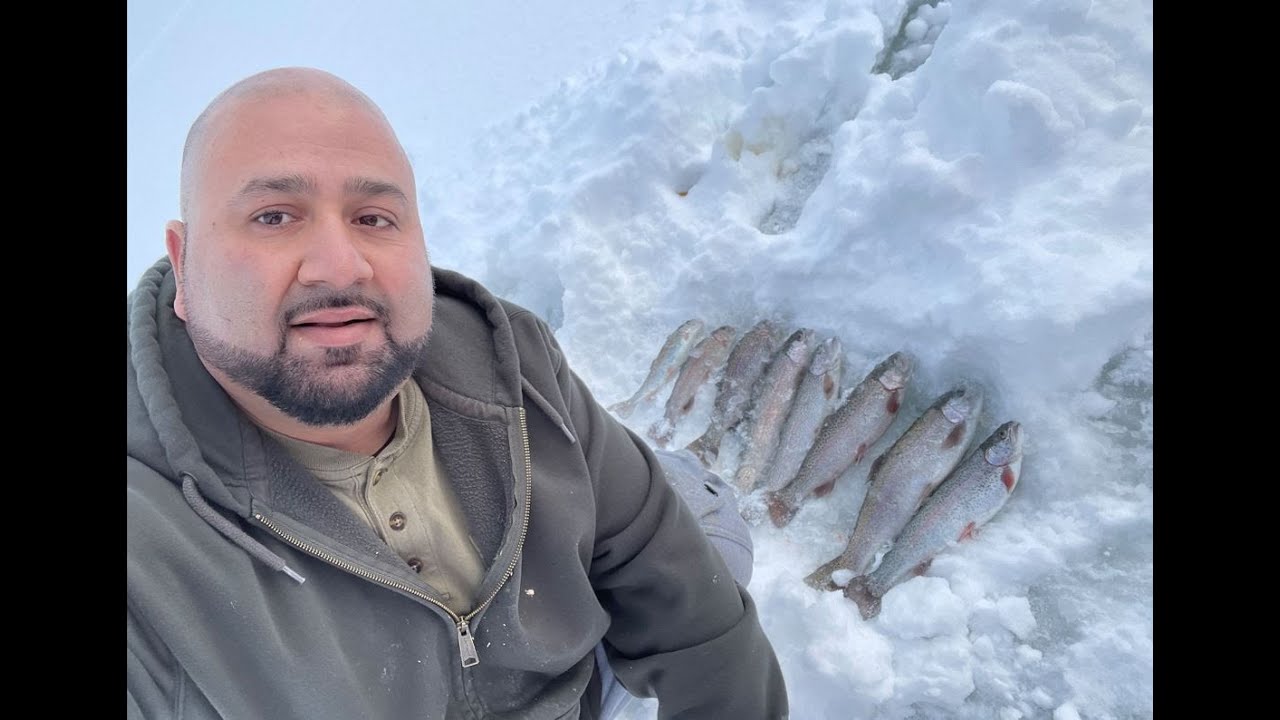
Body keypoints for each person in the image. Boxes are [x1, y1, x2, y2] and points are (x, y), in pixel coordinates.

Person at [126, 66, 788, 719]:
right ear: (184, 266)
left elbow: (673, 582)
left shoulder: (505, 357)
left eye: (374, 217)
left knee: (706, 523)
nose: (339, 264)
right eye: (274, 216)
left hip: (561, 696)